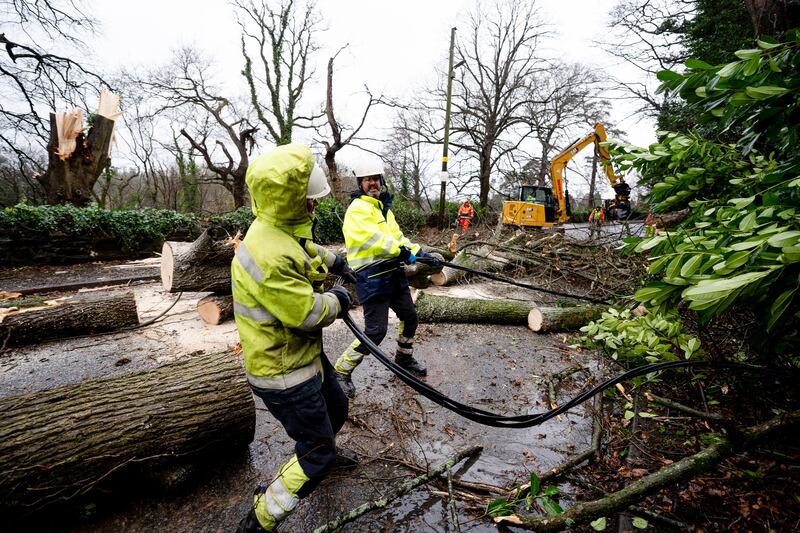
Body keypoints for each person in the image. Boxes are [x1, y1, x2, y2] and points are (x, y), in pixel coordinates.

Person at [232, 144, 355, 533]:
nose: (314, 207)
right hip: (283, 373)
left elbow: (306, 248)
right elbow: (306, 313)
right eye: (308, 201)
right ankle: (261, 518)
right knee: (317, 452)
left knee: (337, 408)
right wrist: (339, 297)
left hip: (305, 359)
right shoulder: (268, 254)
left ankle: (323, 454)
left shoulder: (279, 228)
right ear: (288, 201)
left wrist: (340, 262)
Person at [333, 158, 440, 397]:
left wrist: (420, 253)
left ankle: (403, 358)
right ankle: (341, 370)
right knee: (375, 332)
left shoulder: (383, 209)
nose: (372, 183)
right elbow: (372, 239)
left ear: (381, 182)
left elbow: (398, 238)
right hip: (372, 277)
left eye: (376, 179)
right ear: (360, 183)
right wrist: (399, 251)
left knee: (410, 318)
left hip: (393, 274)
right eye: (367, 179)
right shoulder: (357, 209)